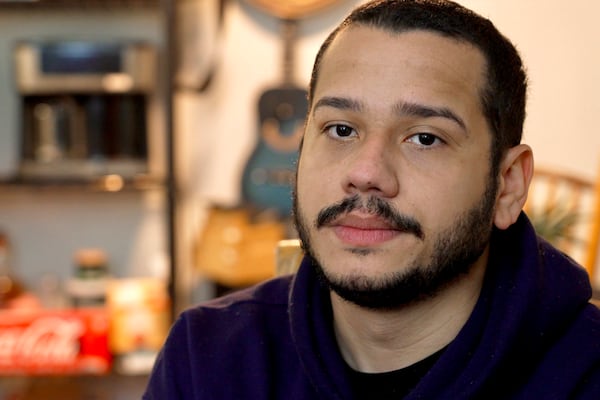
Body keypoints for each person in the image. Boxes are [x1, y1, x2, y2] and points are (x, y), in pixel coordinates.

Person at [144, 0, 600, 398]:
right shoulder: (208, 360)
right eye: (341, 130)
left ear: (507, 186)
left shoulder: (585, 371)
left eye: (424, 138)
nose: (365, 173)